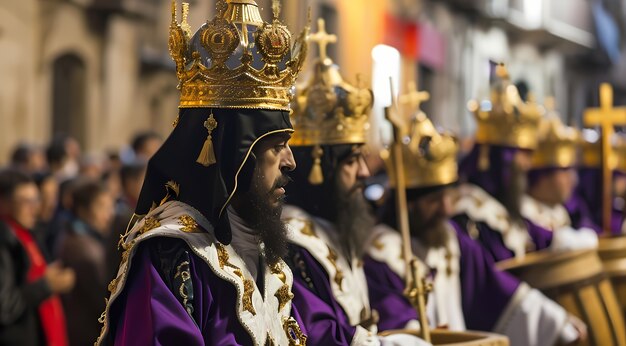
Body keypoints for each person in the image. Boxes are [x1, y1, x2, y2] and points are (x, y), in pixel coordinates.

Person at [96, 1, 309, 344]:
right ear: (234, 156)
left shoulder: (270, 259)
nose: (290, 161)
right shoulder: (172, 256)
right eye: (276, 146)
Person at [365, 112, 586, 346]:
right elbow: (393, 319)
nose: (446, 208)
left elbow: (496, 291)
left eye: (448, 196)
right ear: (407, 205)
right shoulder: (381, 255)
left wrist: (557, 321)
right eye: (434, 201)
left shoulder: (450, 240)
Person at [282, 19, 426, 346]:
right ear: (315, 168)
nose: (364, 172)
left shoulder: (332, 230)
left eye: (363, 157)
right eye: (351, 161)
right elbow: (318, 334)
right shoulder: (293, 242)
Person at [453, 64, 587, 261]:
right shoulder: (469, 212)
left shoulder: (512, 208)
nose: (528, 164)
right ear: (501, 158)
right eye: (522, 154)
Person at [0, 169, 75, 345]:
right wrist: (47, 285)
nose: (35, 207)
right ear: (3, 202)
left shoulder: (24, 232)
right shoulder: (4, 238)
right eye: (26, 201)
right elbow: (5, 306)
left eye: (36, 200)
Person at [522, 113, 600, 245]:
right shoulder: (526, 216)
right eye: (564, 171)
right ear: (541, 176)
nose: (573, 179)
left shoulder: (560, 213)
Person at [59, 180, 115, 345]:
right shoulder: (83, 249)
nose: (109, 214)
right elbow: (102, 300)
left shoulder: (84, 239)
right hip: (87, 333)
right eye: (102, 207)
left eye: (110, 206)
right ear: (83, 210)